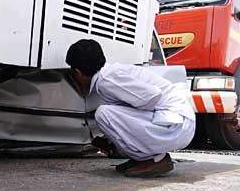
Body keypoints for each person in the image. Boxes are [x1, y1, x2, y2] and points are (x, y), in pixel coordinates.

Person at [66, 39, 196, 178]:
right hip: (177, 121)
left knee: (103, 114)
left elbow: (152, 96)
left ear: (78, 72)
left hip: (176, 125)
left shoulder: (107, 79)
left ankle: (155, 159)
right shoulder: (109, 74)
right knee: (109, 115)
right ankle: (141, 158)